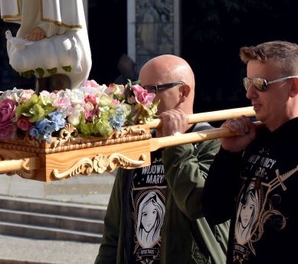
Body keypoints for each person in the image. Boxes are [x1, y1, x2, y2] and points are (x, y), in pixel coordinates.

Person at [202, 41, 298, 263]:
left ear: (293, 86)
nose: (250, 94)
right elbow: (214, 211)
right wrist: (229, 154)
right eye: (247, 82)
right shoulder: (255, 139)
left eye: (260, 84)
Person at [96, 54, 229, 263]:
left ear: (183, 92)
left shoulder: (215, 144)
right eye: (140, 91)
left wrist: (175, 140)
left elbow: (196, 204)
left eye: (152, 90)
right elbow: (114, 230)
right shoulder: (139, 147)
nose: (144, 100)